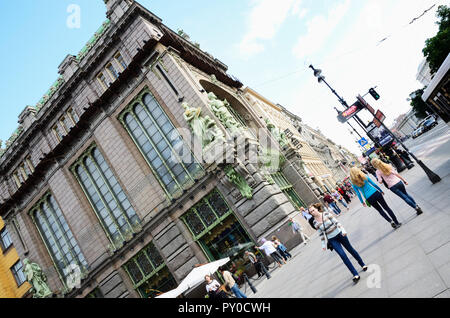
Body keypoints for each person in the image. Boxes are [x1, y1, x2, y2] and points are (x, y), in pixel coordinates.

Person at [309, 203, 367, 283]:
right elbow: (321, 234)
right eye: (311, 212)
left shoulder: (326, 214)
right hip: (332, 240)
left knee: (351, 250)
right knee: (343, 255)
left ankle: (362, 264)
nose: (312, 212)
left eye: (313, 210)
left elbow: (337, 222)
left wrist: (343, 230)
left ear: (316, 209)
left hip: (340, 234)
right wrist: (323, 244)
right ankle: (355, 274)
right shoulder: (315, 223)